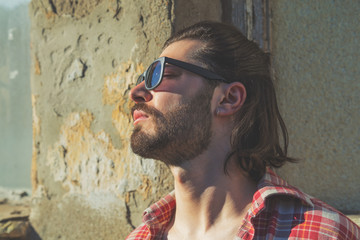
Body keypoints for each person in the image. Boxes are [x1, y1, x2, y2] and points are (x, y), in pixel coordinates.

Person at [126, 21, 360, 240]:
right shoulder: (140, 237)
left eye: (161, 74)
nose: (136, 92)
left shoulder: (322, 233)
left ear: (228, 99)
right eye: (142, 78)